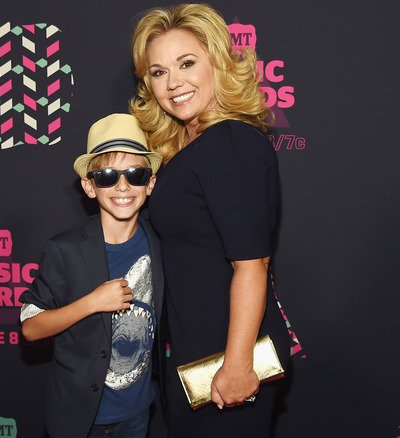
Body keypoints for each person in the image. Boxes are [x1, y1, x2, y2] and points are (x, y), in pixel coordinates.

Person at [129, 4, 292, 436]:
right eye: (158, 72)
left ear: (218, 62)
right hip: (193, 353)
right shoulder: (189, 148)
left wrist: (237, 365)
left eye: (187, 63)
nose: (173, 82)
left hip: (224, 362)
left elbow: (252, 264)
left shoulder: (230, 142)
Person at [18, 113, 164, 438]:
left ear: (150, 182)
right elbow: (30, 328)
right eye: (108, 175)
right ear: (89, 186)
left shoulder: (160, 242)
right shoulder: (64, 250)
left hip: (138, 412)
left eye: (136, 174)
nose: (123, 186)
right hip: (79, 418)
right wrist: (92, 302)